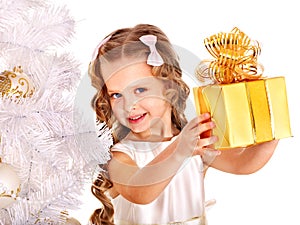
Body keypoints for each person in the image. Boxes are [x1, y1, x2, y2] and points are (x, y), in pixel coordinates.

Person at [88, 24, 278, 225]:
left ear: (169, 85)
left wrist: (274, 130)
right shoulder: (121, 155)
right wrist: (180, 150)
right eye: (116, 95)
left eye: (140, 90)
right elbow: (140, 191)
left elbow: (242, 163)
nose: (128, 105)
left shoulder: (193, 143)